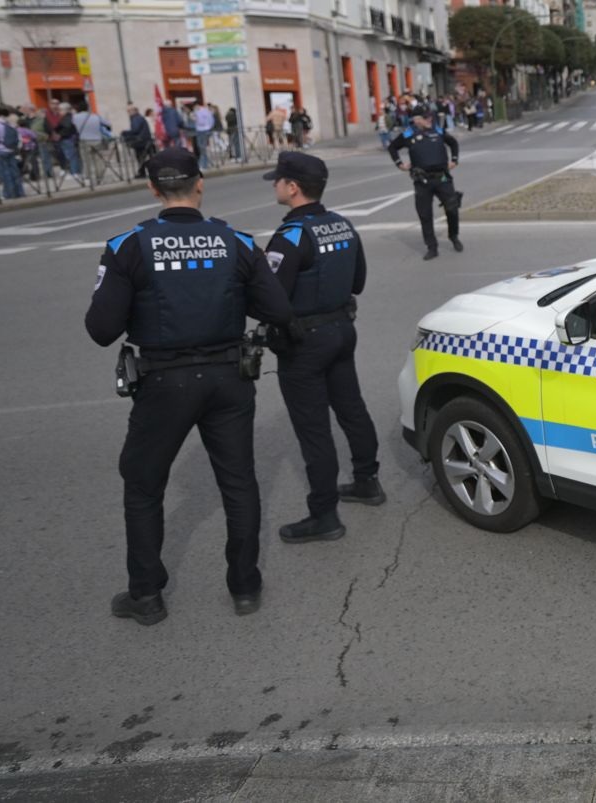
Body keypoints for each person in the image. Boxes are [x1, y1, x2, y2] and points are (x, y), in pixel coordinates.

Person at [84, 147, 296, 625]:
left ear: (152, 189)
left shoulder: (127, 246)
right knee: (238, 481)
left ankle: (146, 595)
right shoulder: (237, 241)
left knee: (143, 484)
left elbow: (101, 329)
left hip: (163, 382)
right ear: (200, 183)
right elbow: (279, 310)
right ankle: (245, 586)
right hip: (229, 378)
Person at [260, 152, 385, 543]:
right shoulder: (343, 224)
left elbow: (271, 299)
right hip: (342, 330)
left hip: (305, 342)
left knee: (313, 429)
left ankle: (324, 515)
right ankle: (367, 481)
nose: (275, 185)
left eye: (278, 180)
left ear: (293, 187)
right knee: (351, 408)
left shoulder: (291, 235)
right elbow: (358, 282)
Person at [386, 108, 462, 260]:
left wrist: (454, 160)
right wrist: (399, 164)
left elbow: (453, 143)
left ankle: (453, 236)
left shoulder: (437, 131)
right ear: (416, 120)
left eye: (430, 117)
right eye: (425, 118)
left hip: (442, 178)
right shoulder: (408, 134)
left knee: (452, 208)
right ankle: (432, 247)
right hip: (422, 181)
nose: (429, 120)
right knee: (425, 215)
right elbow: (392, 147)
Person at [123, 105, 154, 177]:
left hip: (142, 142)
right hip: (144, 141)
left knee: (141, 157)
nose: (128, 113)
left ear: (134, 111)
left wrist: (124, 133)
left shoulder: (136, 118)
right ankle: (143, 172)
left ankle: (143, 173)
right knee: (142, 158)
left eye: (129, 111)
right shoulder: (138, 118)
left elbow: (135, 130)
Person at [0, 108, 23, 200]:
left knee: (5, 173)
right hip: (12, 150)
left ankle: (9, 194)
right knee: (15, 172)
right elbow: (19, 138)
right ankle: (19, 192)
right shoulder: (11, 125)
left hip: (1, 151)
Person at [193, 102, 215, 167]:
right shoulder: (202, 111)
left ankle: (204, 164)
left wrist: (195, 119)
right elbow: (211, 121)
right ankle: (205, 163)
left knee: (202, 147)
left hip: (203, 130)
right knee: (202, 147)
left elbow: (201, 121)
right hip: (202, 130)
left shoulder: (202, 111)